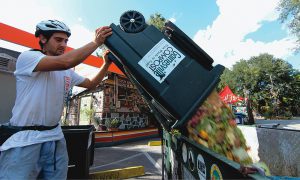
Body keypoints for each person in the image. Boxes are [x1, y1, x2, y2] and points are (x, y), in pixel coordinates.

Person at [0, 19, 112, 179]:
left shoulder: (67, 72)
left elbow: (92, 84)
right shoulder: (28, 57)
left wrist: (105, 64)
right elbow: (66, 61)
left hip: (54, 136)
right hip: (25, 139)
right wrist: (96, 42)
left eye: (66, 41)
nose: (63, 45)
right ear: (43, 39)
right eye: (58, 40)